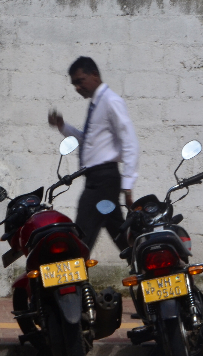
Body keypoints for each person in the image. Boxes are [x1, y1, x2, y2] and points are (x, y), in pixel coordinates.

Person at [48, 56, 139, 252]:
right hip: (100, 180)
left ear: (95, 75)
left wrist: (128, 186)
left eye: (80, 81)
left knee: (81, 237)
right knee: (119, 234)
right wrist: (63, 127)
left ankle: (74, 281)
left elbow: (130, 142)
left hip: (102, 182)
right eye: (74, 84)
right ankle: (148, 269)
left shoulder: (111, 101)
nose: (77, 88)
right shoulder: (97, 104)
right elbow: (88, 141)